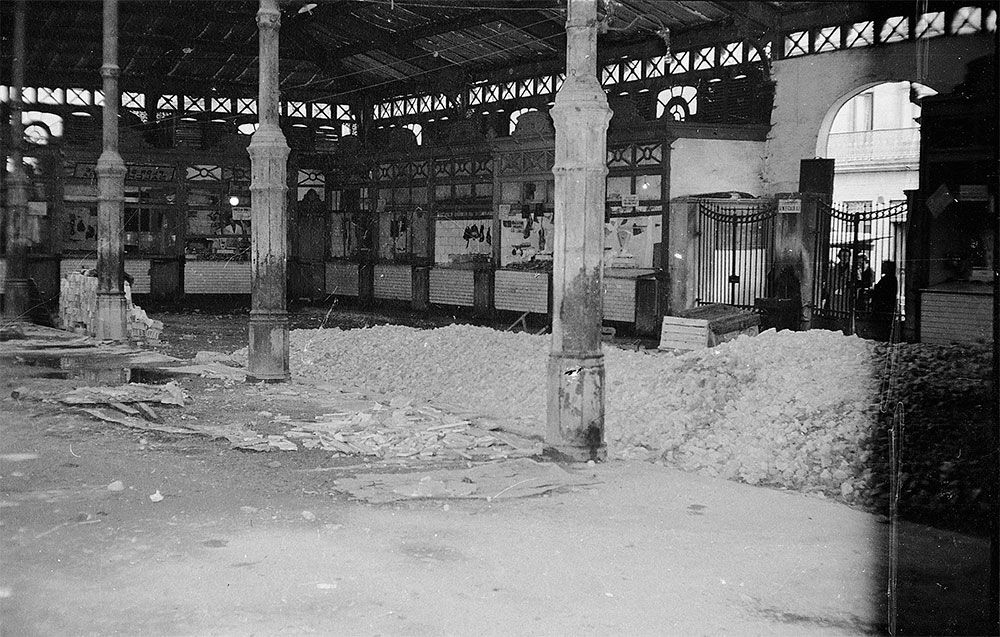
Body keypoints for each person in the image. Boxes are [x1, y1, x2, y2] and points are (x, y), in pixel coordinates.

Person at [870, 260, 898, 341]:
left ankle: (882, 338)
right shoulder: (889, 278)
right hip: (885, 305)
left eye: (884, 266)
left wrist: (875, 289)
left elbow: (883, 291)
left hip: (884, 306)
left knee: (882, 325)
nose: (882, 268)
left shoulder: (889, 278)